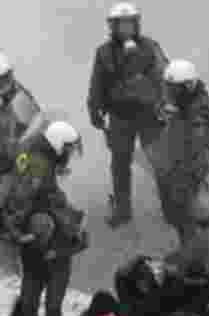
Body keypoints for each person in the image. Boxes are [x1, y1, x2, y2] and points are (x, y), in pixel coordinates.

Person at [87, 2, 168, 228]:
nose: (125, 29)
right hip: (119, 116)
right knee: (120, 164)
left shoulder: (151, 47)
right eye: (121, 25)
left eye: (129, 24)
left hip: (149, 114)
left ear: (136, 24)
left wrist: (166, 104)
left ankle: (170, 206)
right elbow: (97, 83)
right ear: (112, 27)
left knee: (159, 160)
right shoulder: (103, 52)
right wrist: (94, 109)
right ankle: (123, 210)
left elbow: (164, 76)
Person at [150, 59, 209, 245]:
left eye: (174, 89)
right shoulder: (185, 103)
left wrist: (183, 171)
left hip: (188, 167)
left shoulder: (200, 109)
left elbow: (198, 140)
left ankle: (198, 252)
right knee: (179, 214)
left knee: (187, 215)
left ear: (188, 86)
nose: (170, 93)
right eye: (169, 88)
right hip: (177, 165)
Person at [15, 211, 87, 316]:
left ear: (51, 227)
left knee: (53, 304)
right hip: (34, 267)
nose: (42, 241)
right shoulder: (24, 231)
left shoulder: (67, 229)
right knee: (27, 302)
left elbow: (83, 244)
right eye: (38, 238)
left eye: (44, 236)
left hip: (58, 269)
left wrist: (59, 252)